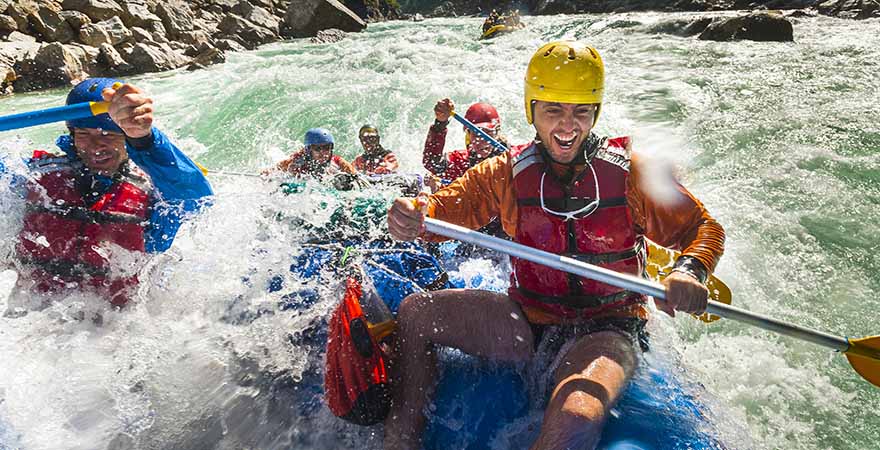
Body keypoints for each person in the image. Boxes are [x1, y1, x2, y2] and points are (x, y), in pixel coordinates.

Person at [384, 41, 725, 449]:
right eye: (553, 110)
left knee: (576, 415)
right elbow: (442, 210)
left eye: (581, 111)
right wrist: (412, 214)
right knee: (416, 312)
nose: (568, 126)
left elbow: (702, 227)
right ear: (532, 111)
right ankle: (398, 443)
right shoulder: (505, 171)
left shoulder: (632, 172)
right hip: (527, 319)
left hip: (608, 325)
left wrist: (690, 270)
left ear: (595, 113)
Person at [3, 77, 213, 315]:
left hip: (115, 331)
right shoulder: (33, 175)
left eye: (109, 134)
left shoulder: (153, 192)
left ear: (127, 138)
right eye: (84, 133)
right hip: (31, 320)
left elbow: (196, 200)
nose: (96, 145)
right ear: (71, 134)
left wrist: (145, 140)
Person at [422, 99, 508, 188]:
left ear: (497, 133)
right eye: (476, 134)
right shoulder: (462, 162)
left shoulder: (511, 159)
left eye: (487, 133)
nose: (482, 141)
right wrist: (440, 123)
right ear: (469, 135)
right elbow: (431, 163)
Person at [271, 128, 356, 179]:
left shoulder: (338, 161)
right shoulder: (296, 161)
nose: (322, 152)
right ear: (309, 150)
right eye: (317, 148)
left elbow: (357, 176)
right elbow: (271, 172)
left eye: (326, 148)